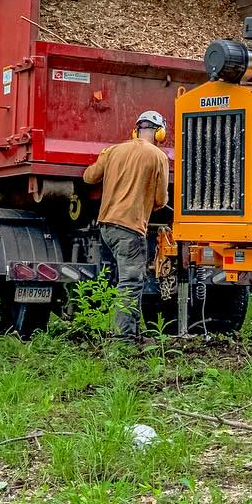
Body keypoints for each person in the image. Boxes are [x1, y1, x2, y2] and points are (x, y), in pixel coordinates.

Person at [82, 109, 169, 340]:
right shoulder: (158, 157)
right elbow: (161, 200)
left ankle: (132, 331)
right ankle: (123, 339)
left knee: (125, 280)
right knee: (131, 282)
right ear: (159, 133)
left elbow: (89, 177)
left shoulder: (113, 151)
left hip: (106, 225)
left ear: (135, 130)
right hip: (130, 228)